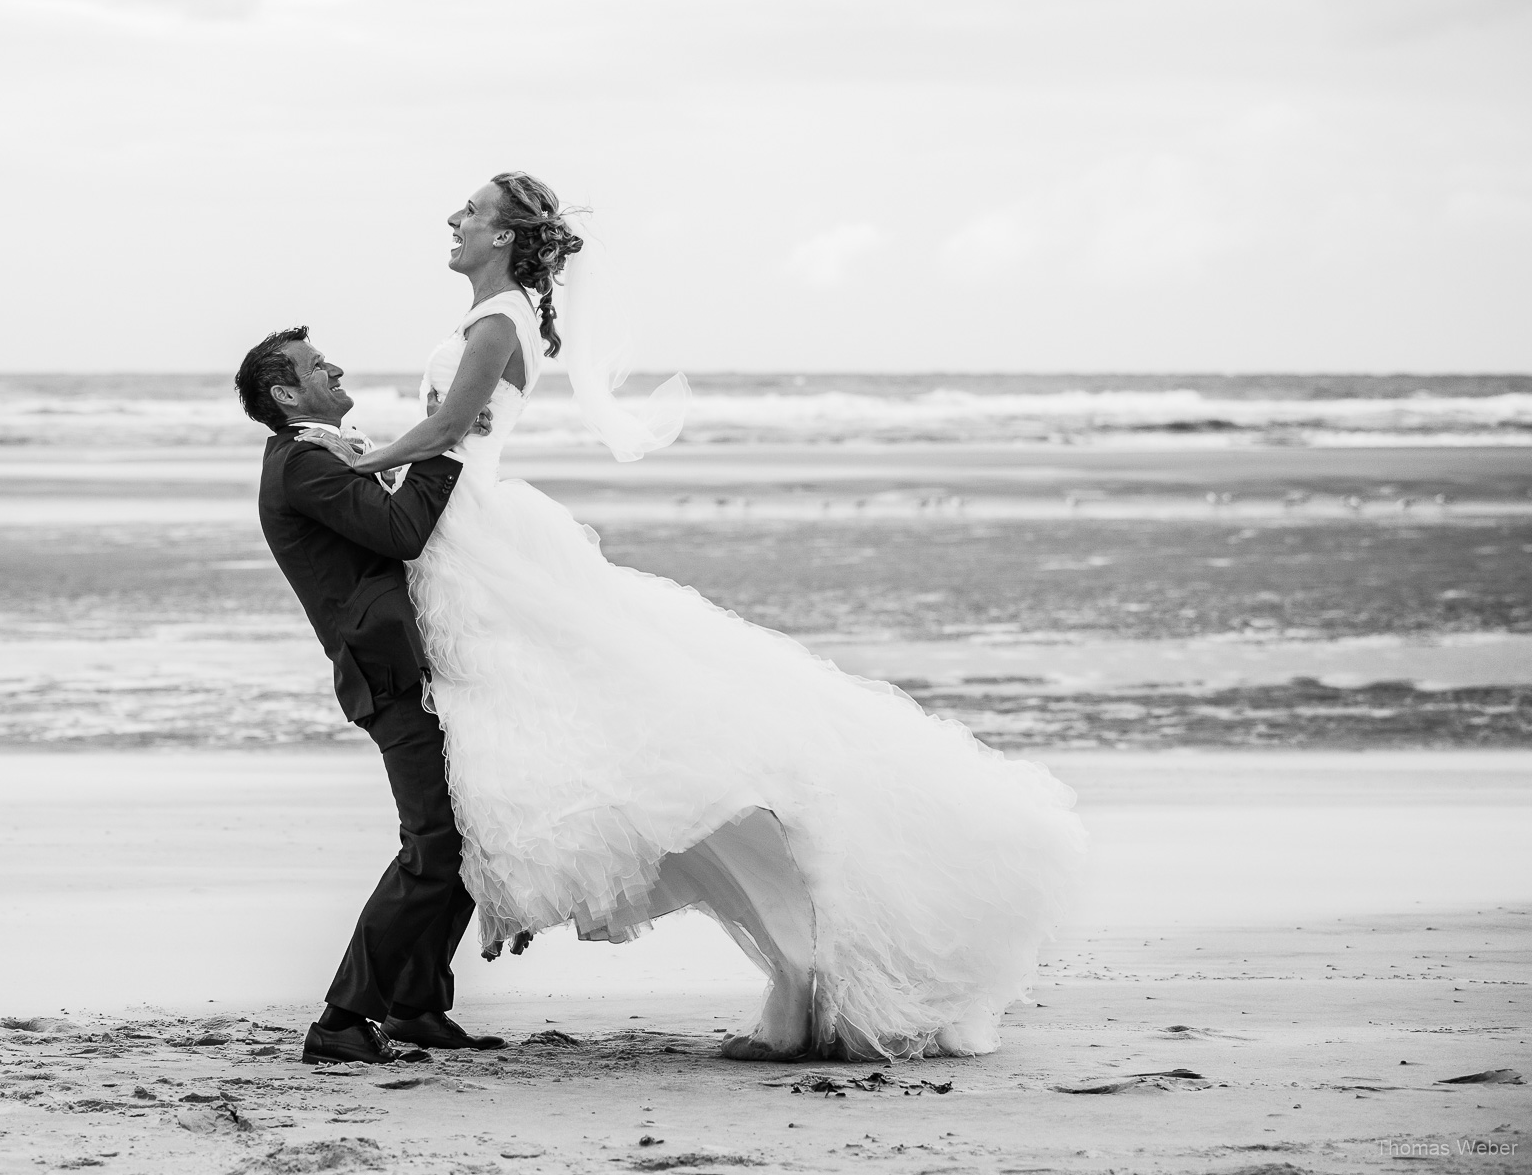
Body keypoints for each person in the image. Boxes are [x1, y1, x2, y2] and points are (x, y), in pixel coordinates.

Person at [293, 172, 1089, 1061]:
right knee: (508, 758)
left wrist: (355, 466)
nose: (453, 218)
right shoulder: (500, 316)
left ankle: (404, 988)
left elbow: (446, 431)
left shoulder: (497, 322)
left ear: (508, 237)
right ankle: (416, 995)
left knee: (591, 750)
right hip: (467, 535)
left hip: (476, 538)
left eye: (470, 211)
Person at [236, 327, 506, 1064]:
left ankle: (416, 1005)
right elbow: (401, 531)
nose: (337, 368)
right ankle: (341, 1021)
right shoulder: (301, 466)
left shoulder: (323, 453)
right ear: (287, 394)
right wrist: (446, 446)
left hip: (413, 663)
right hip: (385, 672)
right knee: (434, 848)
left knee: (462, 837)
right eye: (318, 367)